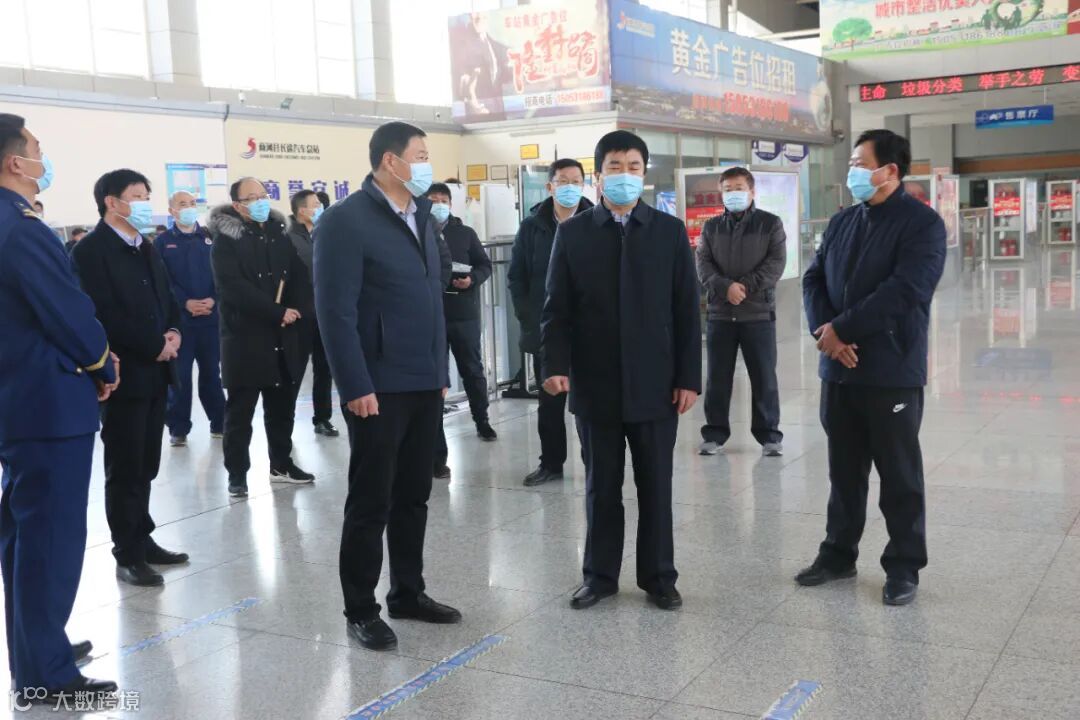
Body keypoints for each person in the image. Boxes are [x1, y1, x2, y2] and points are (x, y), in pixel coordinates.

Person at [316, 121, 460, 652]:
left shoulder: (421, 214)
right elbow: (335, 312)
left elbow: (432, 297)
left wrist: (439, 372)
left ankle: (407, 592)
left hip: (422, 379)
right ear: (389, 161)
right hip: (376, 385)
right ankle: (361, 608)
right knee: (371, 499)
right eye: (419, 155)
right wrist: (354, 384)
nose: (425, 164)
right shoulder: (345, 220)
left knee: (414, 495)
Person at [542, 130, 701, 611]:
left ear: (644, 174)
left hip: (656, 384)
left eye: (634, 166)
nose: (625, 175)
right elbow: (556, 309)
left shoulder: (669, 232)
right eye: (615, 166)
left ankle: (659, 577)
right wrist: (555, 364)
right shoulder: (573, 234)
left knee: (656, 485)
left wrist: (688, 377)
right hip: (596, 384)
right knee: (601, 487)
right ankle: (599, 576)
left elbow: (687, 310)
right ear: (599, 175)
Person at [798, 129, 946, 607]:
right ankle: (838, 554)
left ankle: (904, 566)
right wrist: (826, 331)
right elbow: (813, 278)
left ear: (890, 171)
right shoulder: (844, 221)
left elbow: (907, 291)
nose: (853, 172)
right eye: (852, 163)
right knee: (844, 471)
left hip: (890, 369)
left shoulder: (922, 225)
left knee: (899, 474)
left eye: (860, 163)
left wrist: (843, 329)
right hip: (839, 370)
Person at [0, 113, 118, 703]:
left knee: (24, 537)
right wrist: (102, 363)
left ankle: (37, 649)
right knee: (50, 538)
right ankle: (48, 676)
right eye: (37, 150)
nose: (43, 160)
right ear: (14, 162)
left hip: (19, 399)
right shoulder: (20, 228)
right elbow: (65, 309)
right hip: (48, 401)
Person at [72, 169, 189, 588]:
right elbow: (100, 312)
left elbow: (167, 298)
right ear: (112, 202)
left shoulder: (146, 245)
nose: (143, 204)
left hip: (158, 370)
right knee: (124, 466)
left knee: (147, 463)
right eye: (136, 196)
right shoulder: (91, 251)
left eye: (145, 196)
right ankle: (127, 553)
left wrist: (173, 332)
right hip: (123, 374)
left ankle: (143, 537)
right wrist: (153, 344)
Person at [208, 178, 315, 498]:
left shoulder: (278, 234)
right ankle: (237, 474)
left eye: (263, 195)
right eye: (251, 198)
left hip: (283, 335)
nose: (260, 202)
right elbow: (233, 288)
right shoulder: (226, 241)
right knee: (240, 412)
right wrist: (275, 311)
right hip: (246, 337)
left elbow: (298, 276)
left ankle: (281, 464)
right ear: (237, 205)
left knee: (282, 408)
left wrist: (297, 308)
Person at [508, 158, 593, 487]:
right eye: (563, 181)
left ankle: (594, 462)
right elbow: (517, 277)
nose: (570, 187)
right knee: (549, 403)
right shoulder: (533, 226)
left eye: (576, 181)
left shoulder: (597, 221)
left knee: (590, 403)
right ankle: (551, 463)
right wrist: (529, 319)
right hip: (547, 329)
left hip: (589, 330)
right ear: (550, 186)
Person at [696, 167, 786, 458]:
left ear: (752, 191)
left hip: (757, 314)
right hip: (720, 315)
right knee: (717, 379)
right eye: (728, 189)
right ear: (721, 193)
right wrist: (725, 288)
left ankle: (769, 435)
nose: (733, 194)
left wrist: (743, 287)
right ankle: (714, 434)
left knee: (764, 377)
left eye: (739, 188)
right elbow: (702, 265)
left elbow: (775, 264)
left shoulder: (770, 224)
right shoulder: (711, 227)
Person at [427, 182, 496, 473]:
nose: (439, 205)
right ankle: (435, 443)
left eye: (443, 200)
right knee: (435, 377)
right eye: (433, 200)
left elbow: (484, 265)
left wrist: (472, 279)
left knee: (472, 369)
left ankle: (482, 419)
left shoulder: (465, 233)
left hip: (464, 313)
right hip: (431, 316)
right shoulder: (419, 232)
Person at [155, 191, 225, 446]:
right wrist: (185, 302)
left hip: (210, 320)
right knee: (180, 377)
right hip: (180, 324)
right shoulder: (162, 243)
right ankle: (178, 428)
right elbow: (161, 281)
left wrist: (213, 299)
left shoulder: (210, 238)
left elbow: (224, 274)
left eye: (193, 203)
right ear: (172, 210)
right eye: (182, 204)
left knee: (212, 375)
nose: (189, 207)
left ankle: (220, 423)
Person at [287, 189, 338, 438]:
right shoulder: (288, 236)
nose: (320, 208)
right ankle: (286, 420)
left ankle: (323, 418)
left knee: (324, 368)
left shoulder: (325, 232)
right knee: (295, 371)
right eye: (315, 204)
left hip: (324, 313)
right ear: (301, 210)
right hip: (299, 315)